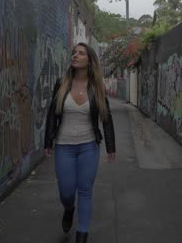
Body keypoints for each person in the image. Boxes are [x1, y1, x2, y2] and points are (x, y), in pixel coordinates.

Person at [44, 42, 116, 243]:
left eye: (81, 53)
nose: (75, 55)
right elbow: (52, 114)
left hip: (88, 146)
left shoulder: (96, 87)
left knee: (85, 190)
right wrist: (48, 140)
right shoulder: (62, 83)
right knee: (66, 192)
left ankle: (82, 234)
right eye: (74, 53)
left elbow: (106, 117)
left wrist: (111, 147)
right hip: (64, 147)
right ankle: (69, 208)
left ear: (90, 61)